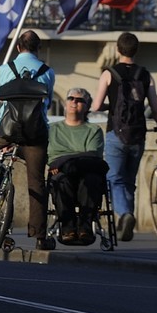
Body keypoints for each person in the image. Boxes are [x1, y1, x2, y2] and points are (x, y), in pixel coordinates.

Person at [0, 29, 56, 249]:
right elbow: (45, 106)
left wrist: (6, 135)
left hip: (7, 130)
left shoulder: (5, 69)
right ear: (38, 49)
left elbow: (3, 104)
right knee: (37, 182)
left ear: (18, 47)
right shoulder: (48, 72)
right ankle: (39, 236)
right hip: (35, 134)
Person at [90, 31, 157, 241]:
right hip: (138, 134)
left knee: (114, 178)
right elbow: (156, 109)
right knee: (129, 180)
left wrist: (108, 105)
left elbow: (95, 106)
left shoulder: (109, 73)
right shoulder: (145, 74)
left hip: (115, 132)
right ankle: (125, 224)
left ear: (118, 50)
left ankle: (126, 214)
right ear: (136, 50)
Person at [49, 86, 108, 245]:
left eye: (80, 100)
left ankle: (85, 227)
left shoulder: (93, 130)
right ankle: (68, 228)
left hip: (84, 171)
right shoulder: (52, 129)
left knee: (92, 180)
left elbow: (92, 154)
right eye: (71, 98)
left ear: (87, 107)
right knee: (61, 181)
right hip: (60, 173)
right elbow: (48, 153)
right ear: (65, 104)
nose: (74, 102)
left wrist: (62, 161)